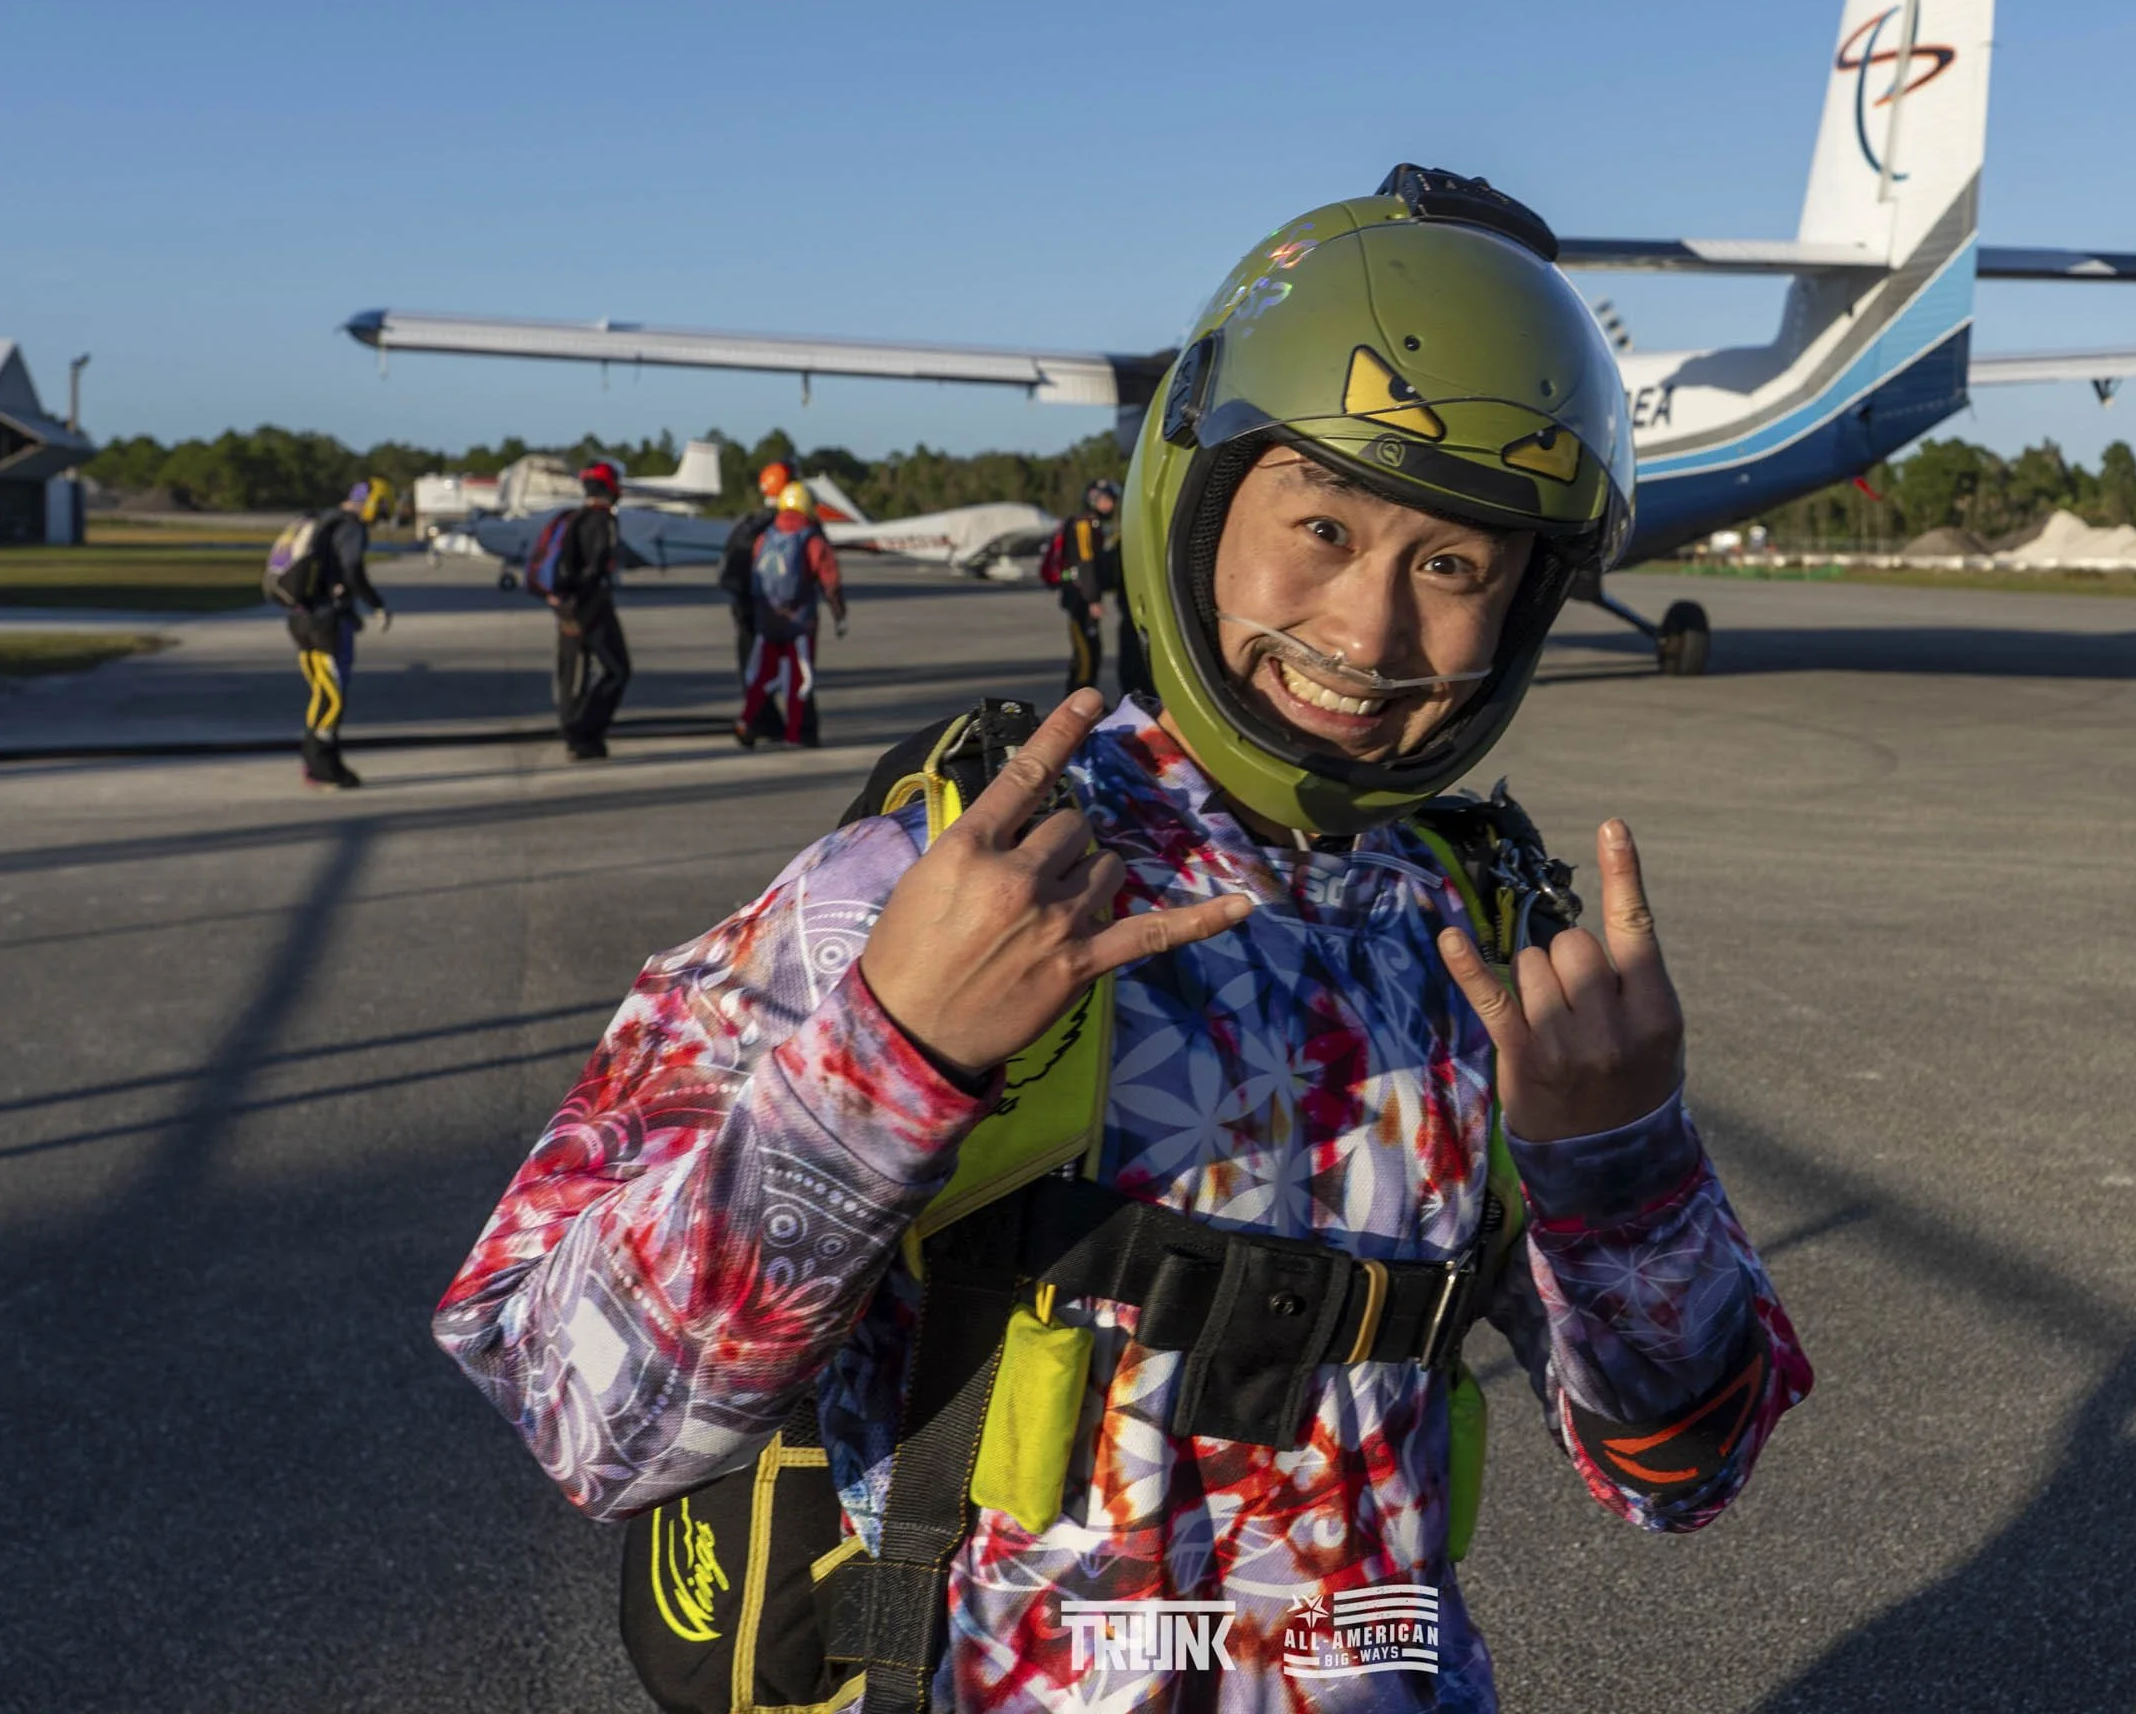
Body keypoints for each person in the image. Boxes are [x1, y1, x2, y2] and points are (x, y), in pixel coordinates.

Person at [438, 167, 1810, 1712]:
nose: (1368, 635)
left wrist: (1621, 1176)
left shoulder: (1478, 940)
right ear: (1202, 505)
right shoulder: (944, 875)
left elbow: (1680, 1474)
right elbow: (569, 1399)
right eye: (1321, 526)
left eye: (1453, 568)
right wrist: (884, 1065)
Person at [284, 477, 393, 789]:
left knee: (320, 691)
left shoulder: (323, 521)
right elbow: (353, 569)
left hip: (300, 618)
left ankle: (314, 760)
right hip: (328, 622)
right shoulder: (350, 528)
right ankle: (322, 762)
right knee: (333, 695)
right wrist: (376, 604)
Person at [736, 478, 847, 749]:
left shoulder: (765, 536)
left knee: (763, 674)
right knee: (798, 679)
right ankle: (796, 734)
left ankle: (747, 721)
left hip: (767, 618)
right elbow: (830, 583)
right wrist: (839, 615)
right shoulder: (812, 538)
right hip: (799, 622)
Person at [550, 458, 631, 761]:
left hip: (566, 607)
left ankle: (574, 732)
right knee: (618, 669)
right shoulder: (602, 521)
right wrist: (587, 606)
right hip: (590, 607)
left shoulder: (574, 519)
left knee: (573, 674)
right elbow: (596, 568)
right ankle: (584, 732)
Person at [719, 459, 796, 736]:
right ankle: (772, 724)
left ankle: (763, 721)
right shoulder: (784, 526)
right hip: (770, 607)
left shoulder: (748, 523)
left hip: (742, 604)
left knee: (751, 665)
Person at [1053, 476, 1122, 696]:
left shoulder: (1095, 525)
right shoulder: (1083, 525)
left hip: (1084, 595)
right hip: (1079, 598)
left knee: (1093, 651)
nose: (1110, 505)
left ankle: (1085, 699)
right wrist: (1093, 599)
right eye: (1105, 500)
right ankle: (1076, 700)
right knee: (1085, 655)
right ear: (1093, 500)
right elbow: (1086, 562)